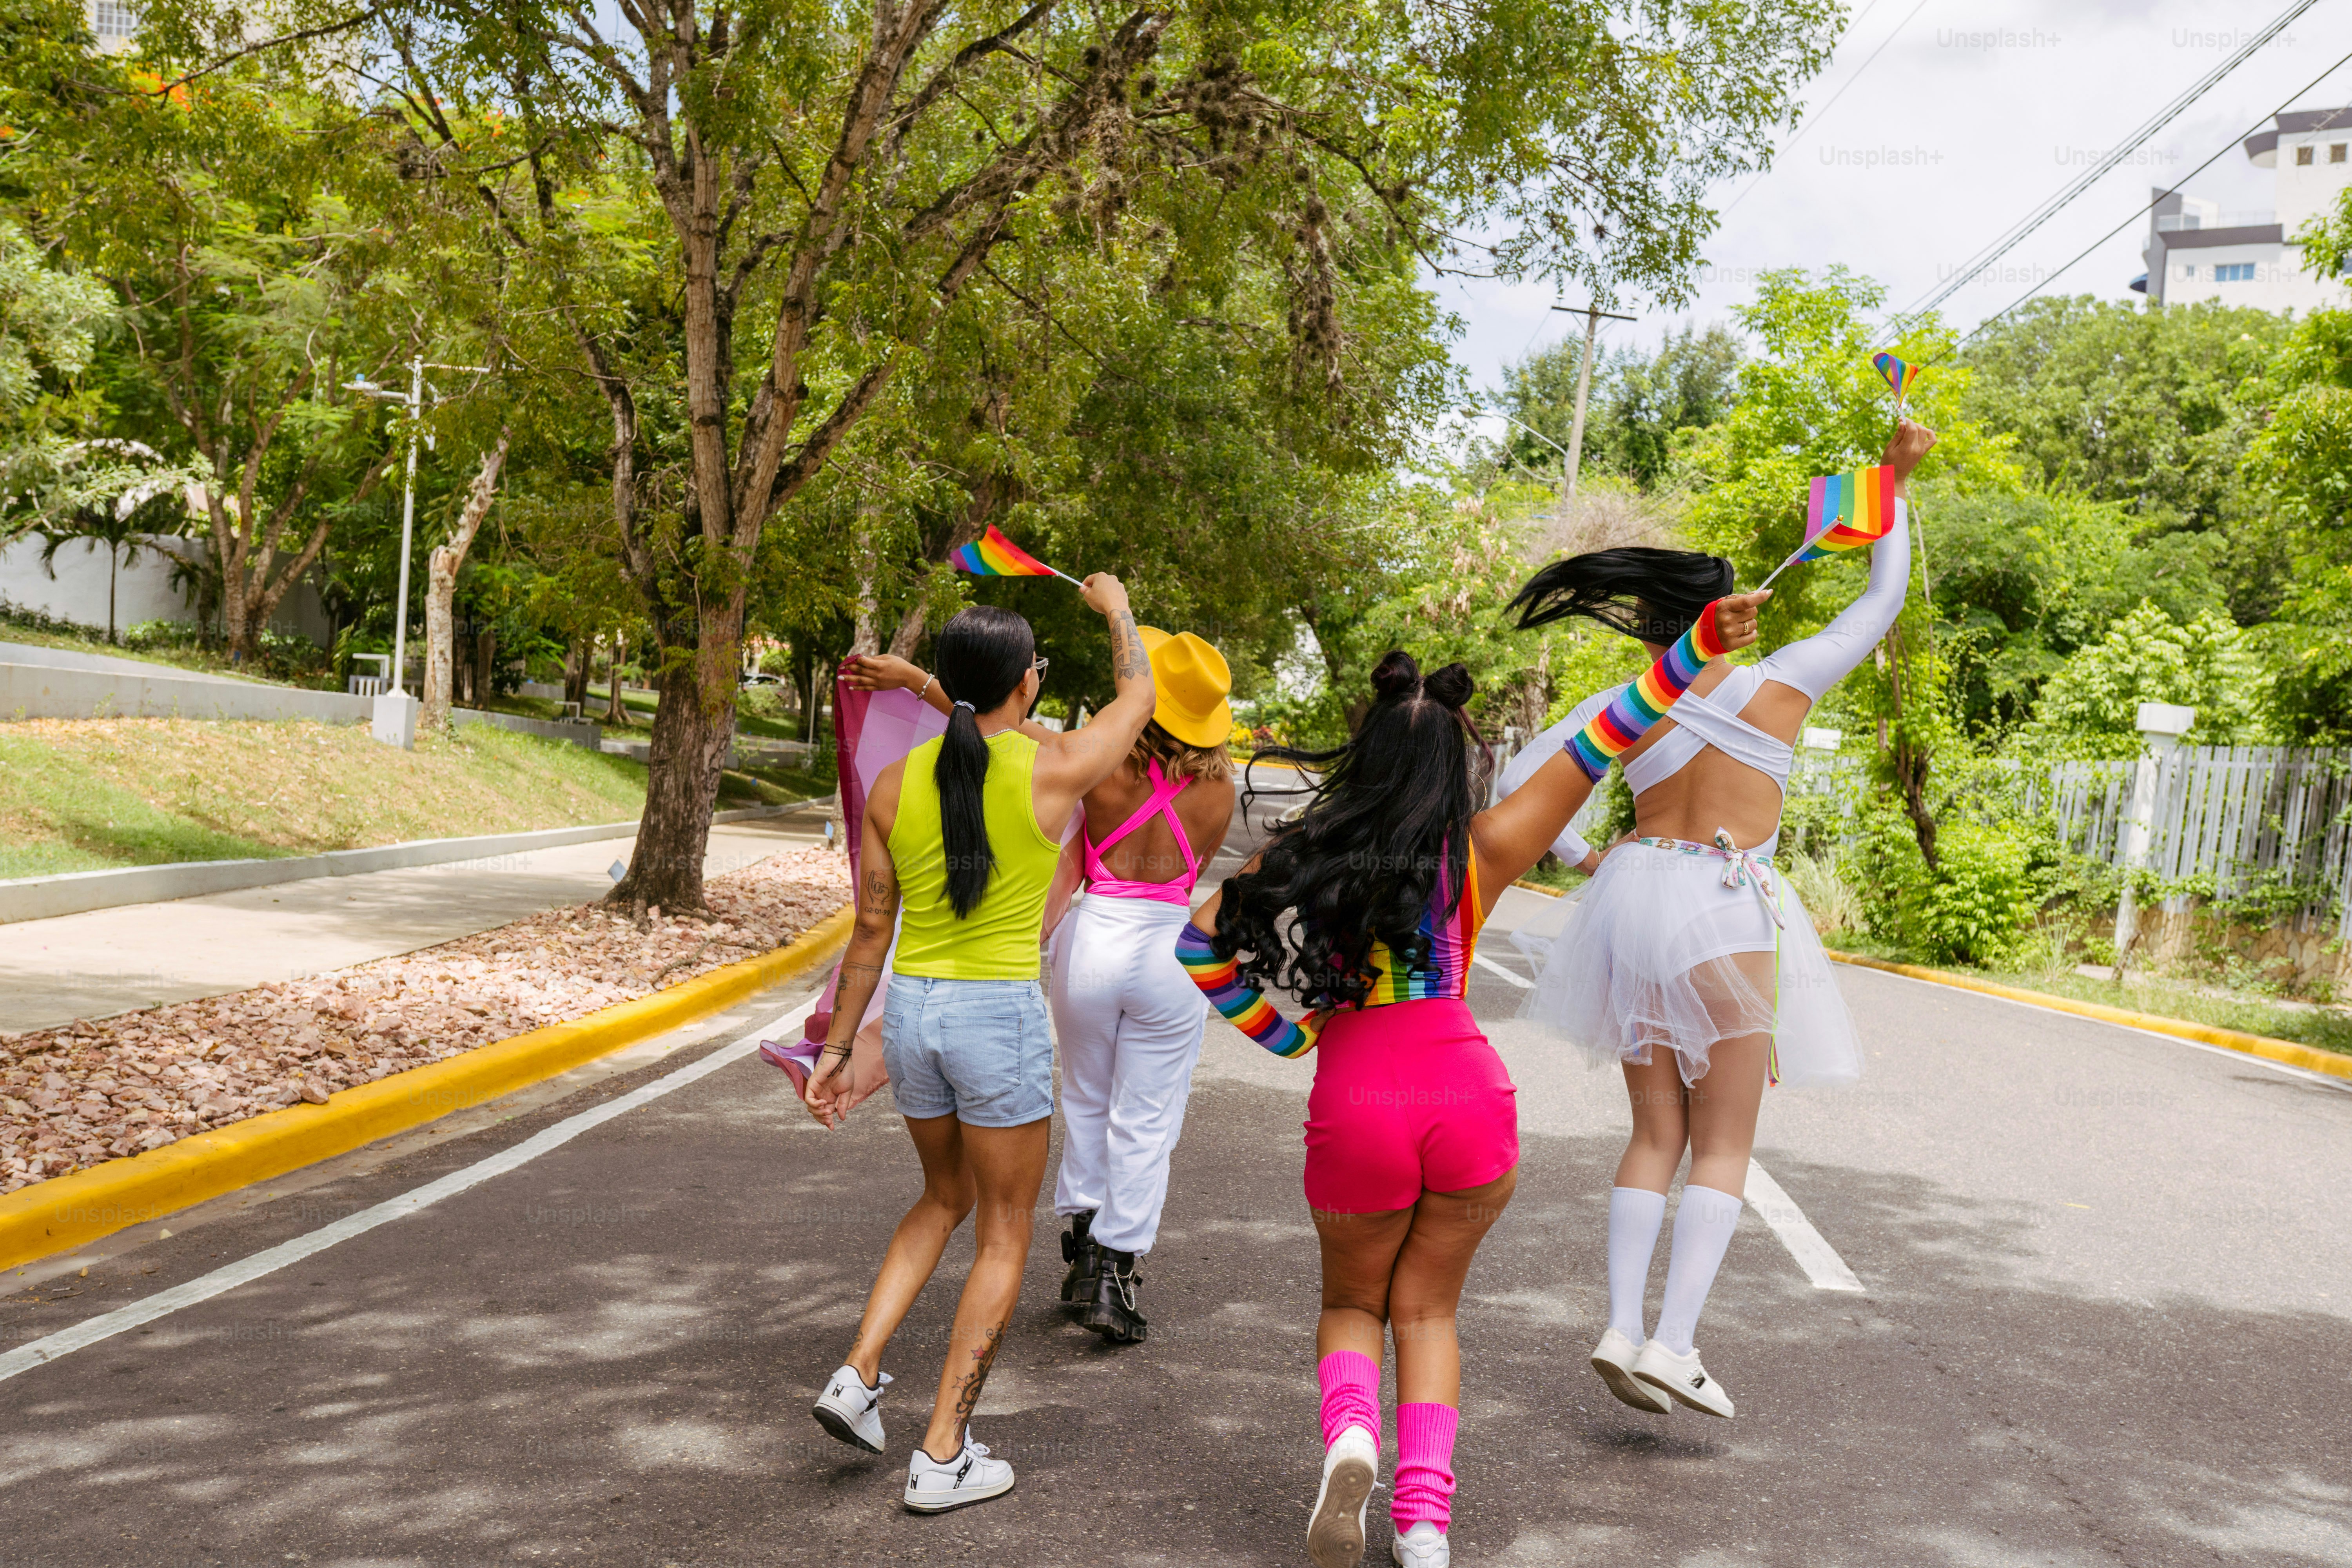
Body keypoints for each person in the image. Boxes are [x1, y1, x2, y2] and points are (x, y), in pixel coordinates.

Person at [1178, 593, 1765, 1568]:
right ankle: (1423, 1526)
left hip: (1358, 1093)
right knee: (1430, 1311)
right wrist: (1698, 645)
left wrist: (1289, 1036)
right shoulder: (1484, 849)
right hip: (1467, 1099)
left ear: (1362, 759)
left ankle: (1353, 1435)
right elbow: (1604, 737)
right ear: (1459, 763)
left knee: (1351, 1305)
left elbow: (1199, 942)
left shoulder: (1301, 855)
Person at [1503, 419, 1935, 1425]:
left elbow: (1522, 778)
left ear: (1657, 623)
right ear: (1724, 613)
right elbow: (1883, 598)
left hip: (1638, 895)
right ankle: (1676, 1343)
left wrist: (1583, 855)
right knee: (1724, 1141)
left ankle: (1619, 1324)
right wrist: (1895, 486)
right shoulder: (1783, 686)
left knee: (1654, 1129)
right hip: (1728, 902)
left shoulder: (1632, 701)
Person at [803, 579, 1155, 1515]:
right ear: (1028, 684)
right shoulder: (1051, 769)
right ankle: (943, 1451)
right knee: (1004, 1226)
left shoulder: (894, 784)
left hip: (914, 1011)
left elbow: (870, 934)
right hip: (996, 1014)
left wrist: (837, 1051)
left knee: (941, 1195)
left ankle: (859, 1372)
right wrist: (1116, 609)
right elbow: (1141, 699)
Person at [845, 628, 1240, 1344]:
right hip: (1168, 950)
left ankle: (1081, 1243)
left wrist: (912, 679)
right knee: (1147, 1116)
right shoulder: (1221, 789)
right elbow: (1200, 874)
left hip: (1090, 946)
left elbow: (994, 724)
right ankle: (1116, 1271)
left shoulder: (1099, 768)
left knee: (1086, 1098)